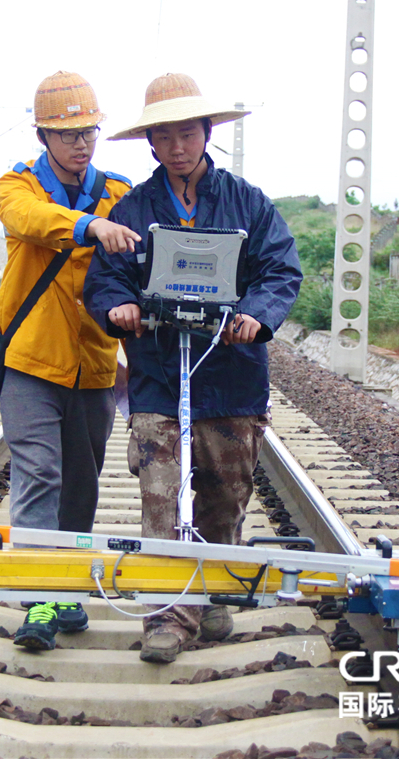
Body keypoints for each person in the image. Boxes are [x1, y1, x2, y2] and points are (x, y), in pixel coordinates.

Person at [84, 73, 303, 663]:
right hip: (157, 377)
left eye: (188, 133)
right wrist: (119, 307)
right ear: (150, 144)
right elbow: (105, 280)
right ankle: (168, 617)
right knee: (163, 498)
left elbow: (280, 271)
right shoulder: (134, 208)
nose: (178, 146)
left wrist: (256, 314)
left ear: (207, 134)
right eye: (165, 136)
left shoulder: (248, 203)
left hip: (230, 378)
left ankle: (209, 593)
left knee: (224, 497)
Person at [0, 70, 139, 651]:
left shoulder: (119, 192)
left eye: (89, 131)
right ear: (43, 135)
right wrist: (89, 226)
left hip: (95, 366)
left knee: (81, 485)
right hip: (30, 362)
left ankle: (66, 588)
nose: (81, 143)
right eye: (68, 133)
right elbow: (27, 222)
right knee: (39, 477)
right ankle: (40, 600)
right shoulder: (17, 186)